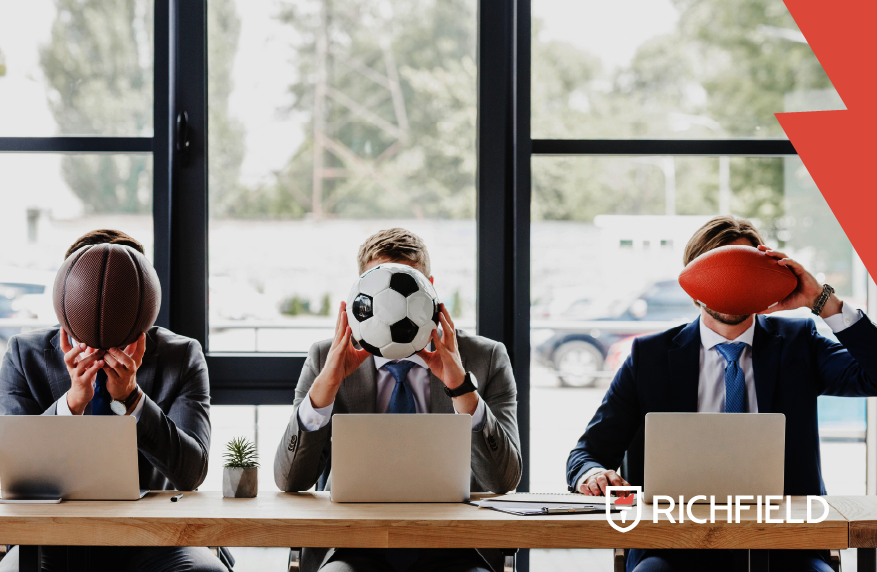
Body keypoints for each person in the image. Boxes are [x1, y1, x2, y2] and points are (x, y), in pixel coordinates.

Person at [566, 215, 877, 572]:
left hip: (789, 544)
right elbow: (586, 454)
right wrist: (592, 474)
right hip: (672, 547)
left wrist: (820, 300)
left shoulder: (799, 343)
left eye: (742, 274)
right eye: (716, 272)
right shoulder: (649, 357)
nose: (729, 286)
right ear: (691, 282)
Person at [274, 228, 522, 572]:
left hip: (455, 545)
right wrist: (326, 387)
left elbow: (505, 481)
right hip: (352, 544)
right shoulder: (324, 357)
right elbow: (289, 481)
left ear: (430, 290)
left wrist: (461, 388)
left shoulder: (485, 357)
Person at [0, 229, 228, 572]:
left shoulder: (179, 356)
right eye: (90, 293)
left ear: (142, 301)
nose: (102, 306)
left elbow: (191, 472)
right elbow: (14, 474)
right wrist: (73, 402)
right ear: (68, 296)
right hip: (53, 535)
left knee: (204, 571)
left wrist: (132, 398)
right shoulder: (25, 353)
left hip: (155, 534)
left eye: (118, 297)